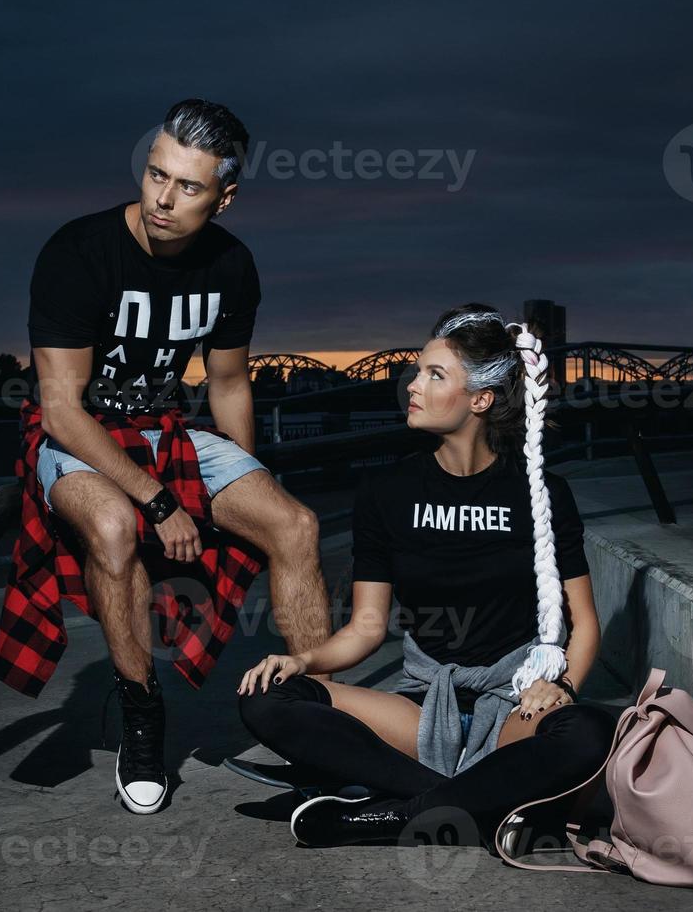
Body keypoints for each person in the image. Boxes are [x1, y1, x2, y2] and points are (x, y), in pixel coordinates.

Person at [0, 98, 332, 817]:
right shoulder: (78, 252)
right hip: (77, 434)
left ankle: (318, 722)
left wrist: (244, 480)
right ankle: (143, 713)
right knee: (114, 527)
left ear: (225, 195)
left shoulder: (232, 265)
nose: (163, 200)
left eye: (187, 187)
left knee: (295, 525)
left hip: (166, 430)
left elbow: (231, 382)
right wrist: (161, 500)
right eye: (155, 176)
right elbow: (60, 409)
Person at [235, 303, 616, 850]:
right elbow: (367, 628)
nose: (412, 385)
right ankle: (472, 806)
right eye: (417, 370)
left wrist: (559, 687)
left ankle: (387, 815)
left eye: (435, 375)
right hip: (421, 706)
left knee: (588, 732)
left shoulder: (543, 494)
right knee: (267, 698)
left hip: (513, 704)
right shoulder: (386, 492)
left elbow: (583, 624)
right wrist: (302, 661)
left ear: (480, 400)